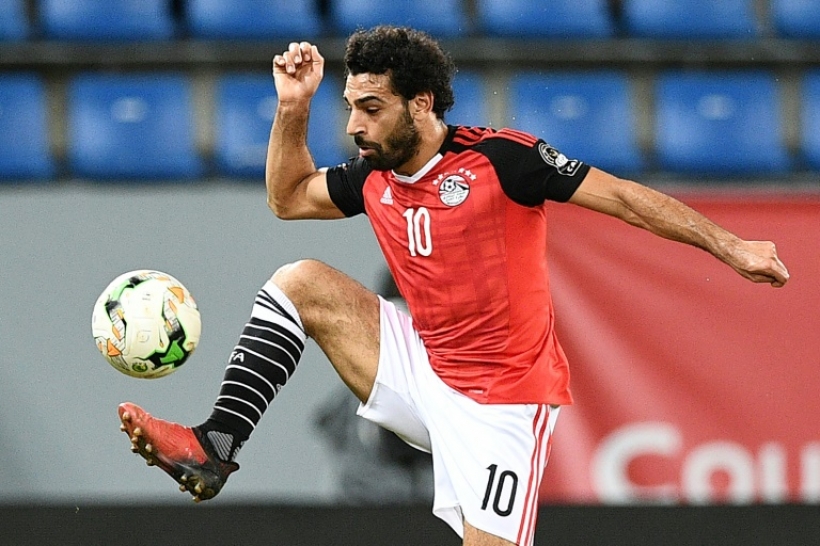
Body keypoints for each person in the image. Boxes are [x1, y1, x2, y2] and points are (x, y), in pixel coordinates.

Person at [117, 26, 790, 546]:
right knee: (300, 282)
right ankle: (216, 446)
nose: (354, 126)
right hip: (424, 369)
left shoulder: (502, 160)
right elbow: (288, 198)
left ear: (421, 103)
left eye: (371, 108)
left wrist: (730, 245)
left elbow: (624, 198)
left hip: (503, 402)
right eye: (350, 107)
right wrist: (294, 106)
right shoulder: (373, 174)